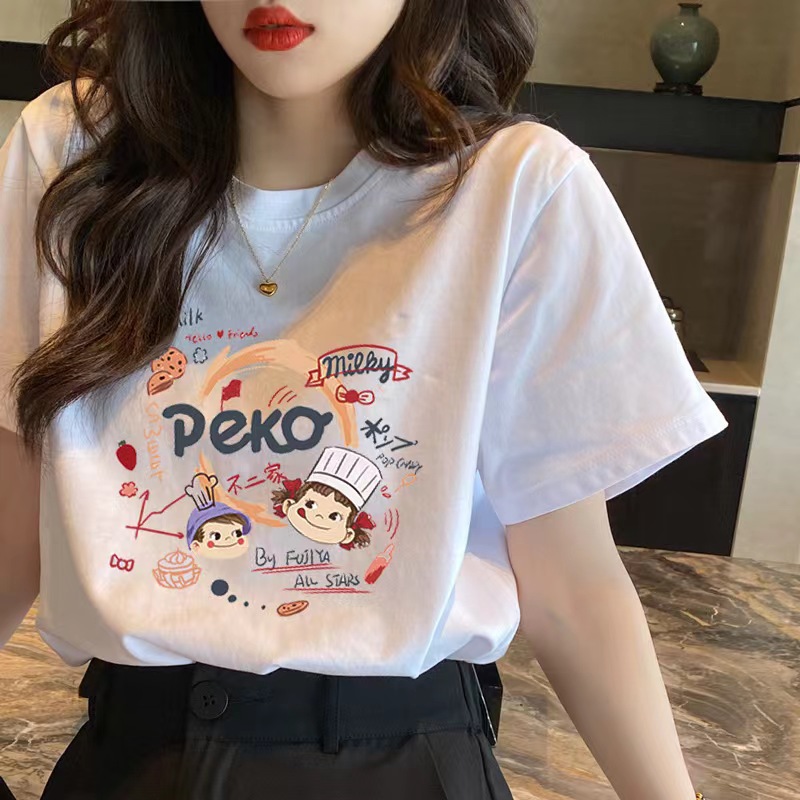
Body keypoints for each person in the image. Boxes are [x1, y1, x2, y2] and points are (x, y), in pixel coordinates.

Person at [0, 1, 727, 798]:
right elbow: (13, 514)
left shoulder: (516, 187)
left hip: (404, 761)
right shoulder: (75, 153)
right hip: (131, 759)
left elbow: (571, 586)